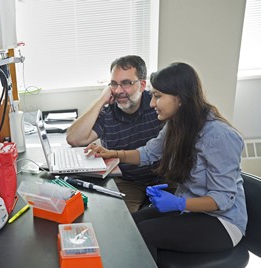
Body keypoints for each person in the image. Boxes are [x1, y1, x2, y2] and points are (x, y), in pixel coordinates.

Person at [85, 62, 247, 262]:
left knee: (143, 234)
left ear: (180, 98)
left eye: (158, 96)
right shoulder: (178, 124)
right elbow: (148, 153)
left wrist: (178, 202)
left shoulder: (219, 135)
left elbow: (222, 200)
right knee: (126, 225)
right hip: (190, 211)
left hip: (222, 223)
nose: (152, 103)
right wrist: (113, 153)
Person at [66, 55, 173, 212]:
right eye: (114, 84)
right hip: (127, 181)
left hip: (164, 177)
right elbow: (74, 139)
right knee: (122, 224)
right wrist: (101, 100)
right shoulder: (108, 112)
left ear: (142, 85)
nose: (118, 91)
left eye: (126, 84)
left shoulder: (155, 104)